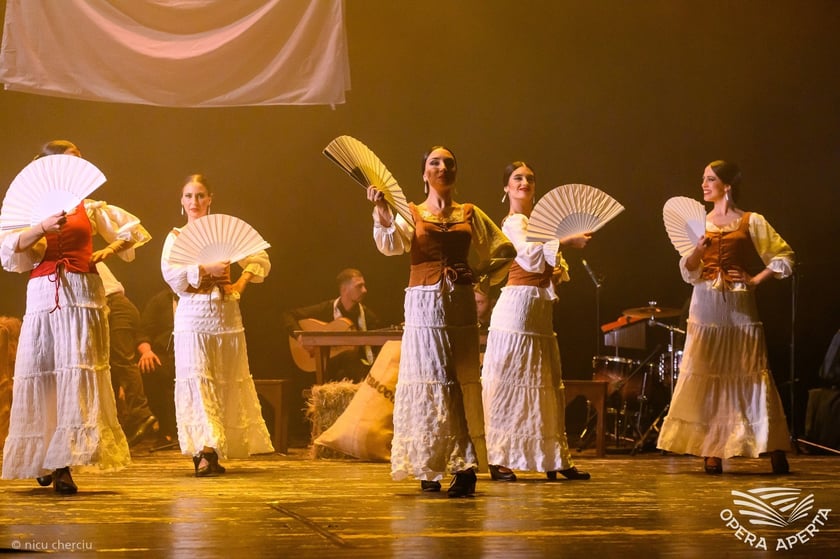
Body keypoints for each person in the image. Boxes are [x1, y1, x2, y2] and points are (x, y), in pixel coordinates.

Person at [0, 139, 151, 494]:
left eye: (81, 160)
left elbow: (133, 233)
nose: (79, 166)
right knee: (46, 374)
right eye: (72, 161)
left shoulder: (91, 206)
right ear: (50, 166)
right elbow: (9, 252)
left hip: (83, 293)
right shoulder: (33, 205)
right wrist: (41, 228)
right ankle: (44, 456)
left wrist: (108, 250)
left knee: (75, 374)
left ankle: (64, 462)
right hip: (44, 293)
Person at [367, 146, 513, 498]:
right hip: (423, 302)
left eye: (449, 162)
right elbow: (391, 245)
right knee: (430, 379)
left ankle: (463, 465)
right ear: (424, 173)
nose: (443, 167)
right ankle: (432, 463)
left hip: (459, 302)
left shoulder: (469, 212)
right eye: (435, 162)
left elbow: (504, 249)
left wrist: (479, 275)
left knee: (456, 379)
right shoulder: (412, 213)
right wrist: (382, 210)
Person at [656, 160, 794, 474]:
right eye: (703, 179)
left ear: (726, 186)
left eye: (710, 179)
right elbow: (689, 272)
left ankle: (770, 443)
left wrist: (756, 279)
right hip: (705, 302)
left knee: (751, 370)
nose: (703, 185)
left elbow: (784, 255)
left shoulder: (751, 220)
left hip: (739, 302)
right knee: (707, 369)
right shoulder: (699, 223)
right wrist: (697, 250)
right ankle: (712, 447)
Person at [481, 161, 591, 482]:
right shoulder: (514, 221)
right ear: (506, 187)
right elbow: (528, 255)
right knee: (509, 383)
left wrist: (557, 270)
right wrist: (566, 242)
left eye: (529, 178)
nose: (524, 182)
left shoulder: (538, 224)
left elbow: (555, 267)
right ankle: (499, 457)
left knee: (542, 382)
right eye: (517, 178)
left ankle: (553, 457)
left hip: (538, 311)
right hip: (516, 309)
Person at [161, 173, 273, 477]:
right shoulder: (176, 236)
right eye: (188, 196)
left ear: (210, 199)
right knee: (198, 380)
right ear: (181, 201)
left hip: (225, 314)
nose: (194, 202)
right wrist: (203, 268)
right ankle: (204, 450)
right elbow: (171, 276)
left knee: (223, 380)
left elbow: (260, 257)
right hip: (193, 315)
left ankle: (213, 448)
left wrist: (240, 282)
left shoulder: (223, 231)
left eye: (200, 196)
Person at [282, 268, 383, 382]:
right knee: (348, 357)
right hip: (327, 369)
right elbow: (288, 315)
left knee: (350, 358)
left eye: (364, 286)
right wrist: (300, 337)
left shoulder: (368, 318)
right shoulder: (326, 309)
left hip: (353, 371)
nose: (364, 290)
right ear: (344, 289)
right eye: (359, 286)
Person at [96, 262, 157, 447]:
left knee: (122, 362)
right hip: (109, 307)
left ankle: (141, 414)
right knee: (110, 368)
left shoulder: (79, 254)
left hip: (115, 306)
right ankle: (118, 423)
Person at [136, 287, 179, 445]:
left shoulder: (199, 298)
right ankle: (165, 431)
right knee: (150, 368)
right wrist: (146, 351)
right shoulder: (159, 301)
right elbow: (143, 332)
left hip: (194, 353)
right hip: (166, 355)